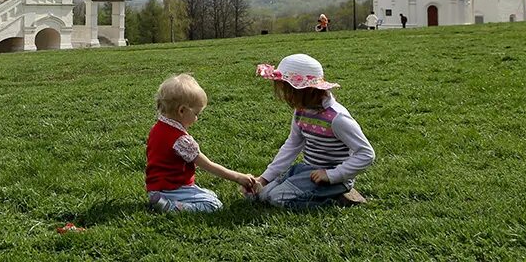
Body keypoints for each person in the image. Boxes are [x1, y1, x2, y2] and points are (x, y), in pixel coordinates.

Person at [250, 54, 375, 208]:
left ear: (305, 90)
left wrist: (332, 175)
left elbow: (366, 154)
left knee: (277, 199)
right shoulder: (302, 111)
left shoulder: (337, 119)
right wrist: (264, 179)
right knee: (259, 195)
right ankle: (320, 193)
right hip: (306, 171)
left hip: (333, 178)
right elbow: (292, 145)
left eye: (288, 90)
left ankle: (337, 198)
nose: (285, 96)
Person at [146, 73, 255, 212]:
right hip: (172, 188)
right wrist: (238, 177)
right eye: (196, 114)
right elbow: (208, 165)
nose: (197, 118)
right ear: (182, 110)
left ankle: (160, 200)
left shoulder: (158, 128)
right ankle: (171, 207)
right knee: (214, 205)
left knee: (211, 194)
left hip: (155, 187)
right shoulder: (181, 140)